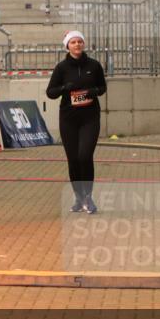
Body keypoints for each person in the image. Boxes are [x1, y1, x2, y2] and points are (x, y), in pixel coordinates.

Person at [46, 30, 107, 214]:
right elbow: (51, 92)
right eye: (73, 42)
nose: (77, 45)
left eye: (80, 41)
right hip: (69, 119)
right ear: (67, 45)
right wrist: (65, 88)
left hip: (90, 118)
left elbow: (103, 87)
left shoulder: (94, 65)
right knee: (73, 159)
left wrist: (93, 91)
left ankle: (88, 196)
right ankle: (79, 198)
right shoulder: (61, 68)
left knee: (84, 156)